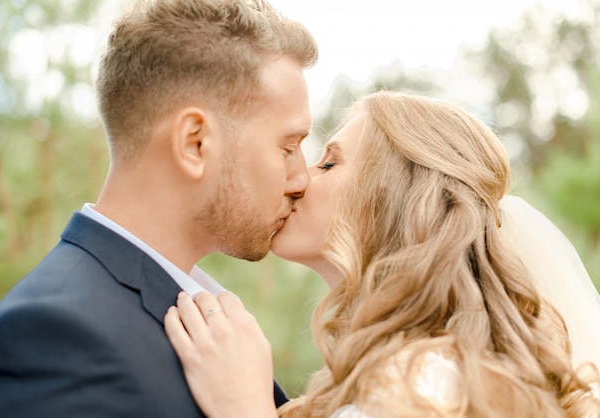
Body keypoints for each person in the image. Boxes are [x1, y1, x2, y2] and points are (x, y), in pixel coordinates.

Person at [0, 0, 317, 416]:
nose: (301, 179)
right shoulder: (57, 340)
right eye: (287, 148)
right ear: (195, 143)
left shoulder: (198, 311)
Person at [164, 91, 600, 417]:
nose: (297, 181)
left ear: (394, 202)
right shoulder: (405, 368)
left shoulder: (433, 381)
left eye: (329, 164)